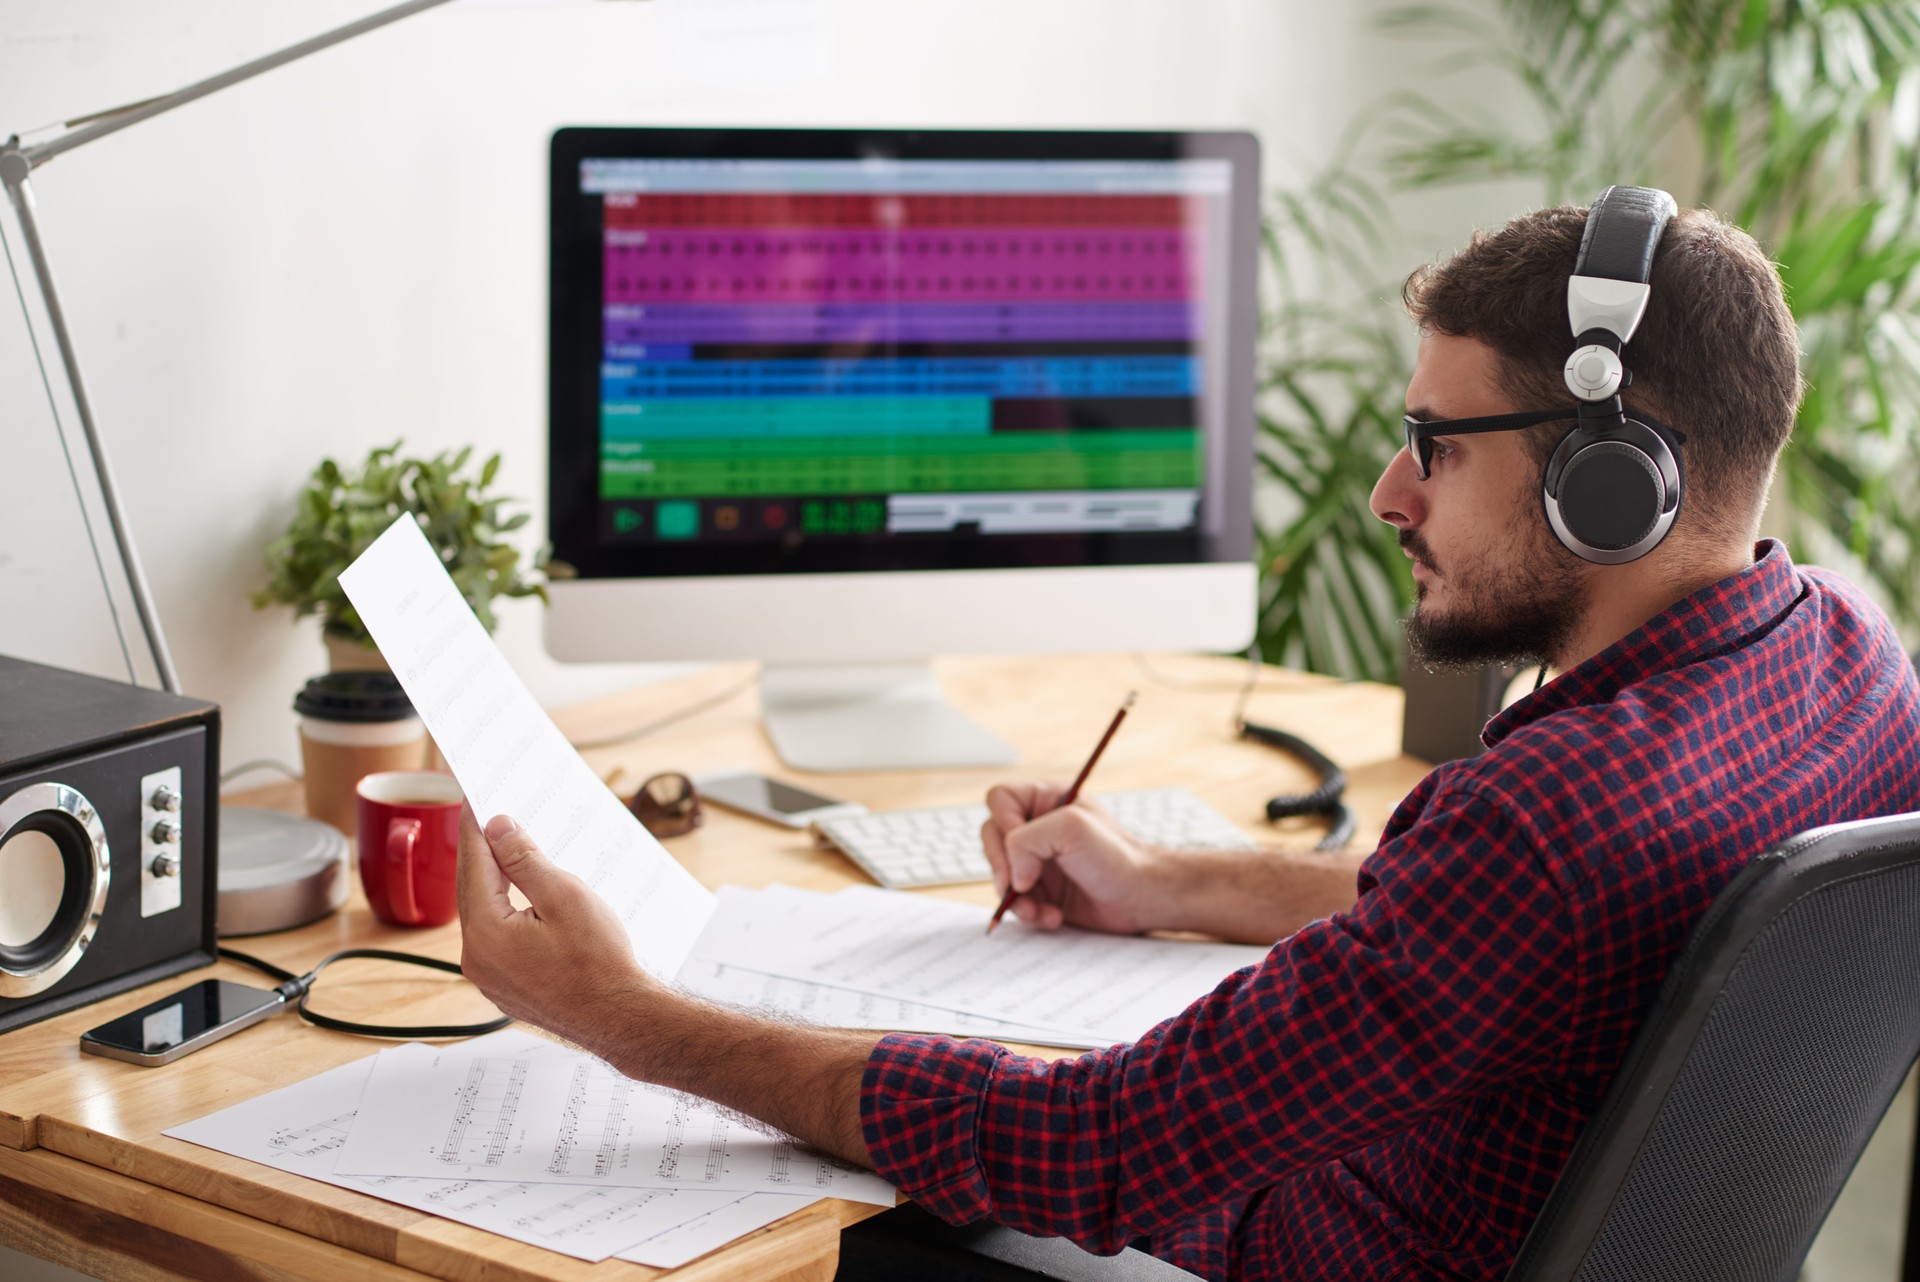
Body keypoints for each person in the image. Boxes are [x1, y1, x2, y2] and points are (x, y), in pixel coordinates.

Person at [455, 195, 1920, 1281]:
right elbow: (1510, 934)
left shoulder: (1542, 820)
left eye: (1437, 445)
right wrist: (1174, 881)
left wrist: (627, 1016)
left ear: (1616, 482)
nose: (1389, 501)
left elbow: (1093, 1144)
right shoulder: (1855, 671)